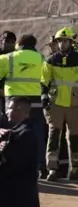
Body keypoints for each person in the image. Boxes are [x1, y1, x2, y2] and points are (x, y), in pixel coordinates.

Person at [42, 27, 78, 181]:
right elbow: (44, 81)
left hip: (74, 104)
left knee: (75, 137)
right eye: (59, 41)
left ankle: (76, 168)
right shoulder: (51, 60)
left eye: (64, 41)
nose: (62, 44)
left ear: (71, 42)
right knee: (54, 136)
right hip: (55, 103)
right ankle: (52, 169)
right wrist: (44, 97)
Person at [0, 34, 46, 178]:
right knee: (37, 133)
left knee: (12, 133)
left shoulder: (8, 58)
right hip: (35, 100)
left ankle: (11, 163)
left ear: (18, 44)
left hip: (14, 102)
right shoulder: (41, 58)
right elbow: (47, 78)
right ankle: (40, 166)